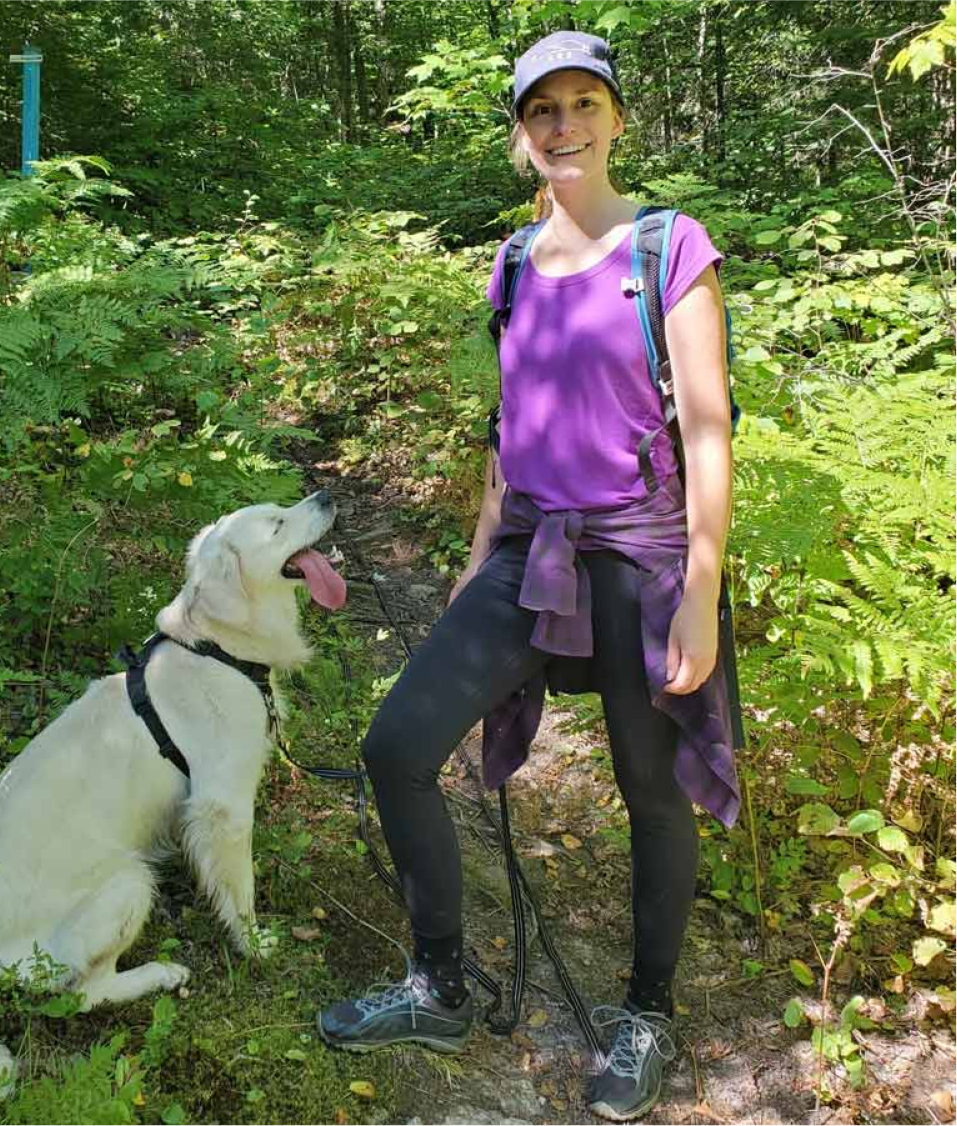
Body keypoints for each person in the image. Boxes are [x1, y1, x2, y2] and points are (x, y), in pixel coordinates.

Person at [317, 30, 741, 1122]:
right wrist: (472, 565)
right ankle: (438, 982)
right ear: (520, 130)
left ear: (615, 118)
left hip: (644, 557)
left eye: (582, 104)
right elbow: (511, 433)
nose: (563, 125)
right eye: (541, 109)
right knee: (398, 745)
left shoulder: (666, 248)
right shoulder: (509, 262)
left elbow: (705, 429)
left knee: (653, 790)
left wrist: (699, 584)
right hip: (530, 553)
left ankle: (644, 1012)